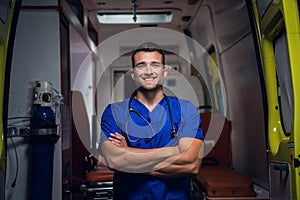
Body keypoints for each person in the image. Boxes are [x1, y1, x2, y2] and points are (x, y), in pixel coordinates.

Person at [99, 42, 204, 200]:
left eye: (155, 65)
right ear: (133, 74)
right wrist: (175, 150)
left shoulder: (186, 110)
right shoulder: (114, 112)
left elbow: (192, 164)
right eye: (141, 65)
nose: (148, 71)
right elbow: (114, 160)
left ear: (165, 72)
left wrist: (130, 158)